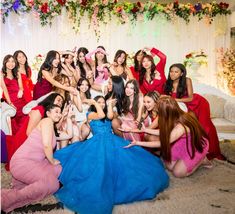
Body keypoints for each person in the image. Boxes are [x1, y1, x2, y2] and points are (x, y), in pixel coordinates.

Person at [53, 95, 169, 214]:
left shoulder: (109, 112)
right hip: (96, 143)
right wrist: (94, 102)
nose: (101, 104)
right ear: (94, 104)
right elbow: (101, 115)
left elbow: (108, 116)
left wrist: (109, 106)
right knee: (97, 168)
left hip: (112, 140)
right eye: (99, 102)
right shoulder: (90, 114)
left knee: (125, 166)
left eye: (103, 102)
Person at [125, 97, 211, 178]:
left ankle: (202, 160)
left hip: (195, 145)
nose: (158, 113)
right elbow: (165, 132)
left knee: (178, 173)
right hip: (182, 142)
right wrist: (145, 130)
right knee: (169, 166)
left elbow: (162, 143)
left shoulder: (180, 127)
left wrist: (138, 143)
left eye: (159, 111)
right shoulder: (174, 116)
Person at [1, 104, 63, 213]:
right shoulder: (47, 121)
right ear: (48, 113)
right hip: (23, 163)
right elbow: (47, 145)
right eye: (56, 111)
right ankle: (8, 199)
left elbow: (65, 136)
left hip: (33, 162)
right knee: (52, 183)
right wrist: (52, 161)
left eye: (60, 112)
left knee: (57, 169)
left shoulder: (50, 126)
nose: (59, 114)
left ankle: (23, 185)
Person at [164, 63, 224, 160]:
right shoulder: (168, 83)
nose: (173, 74)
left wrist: (174, 100)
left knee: (205, 126)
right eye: (171, 71)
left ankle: (213, 151)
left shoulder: (187, 80)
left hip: (198, 103)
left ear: (182, 73)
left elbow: (190, 98)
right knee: (193, 127)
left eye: (176, 72)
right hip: (184, 106)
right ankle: (197, 150)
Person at [5, 93, 64, 169]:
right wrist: (41, 148)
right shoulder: (40, 109)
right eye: (59, 100)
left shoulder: (50, 115)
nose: (60, 103)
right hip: (24, 141)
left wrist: (62, 117)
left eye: (62, 102)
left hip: (35, 141)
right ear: (51, 99)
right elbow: (29, 132)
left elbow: (54, 132)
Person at [1, 54, 27, 135]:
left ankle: (23, 138)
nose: (11, 63)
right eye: (8, 61)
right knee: (14, 122)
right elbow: (4, 89)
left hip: (20, 99)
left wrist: (21, 90)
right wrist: (10, 103)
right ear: (5, 63)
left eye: (12, 61)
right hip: (10, 100)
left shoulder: (17, 73)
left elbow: (21, 87)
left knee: (24, 119)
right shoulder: (1, 74)